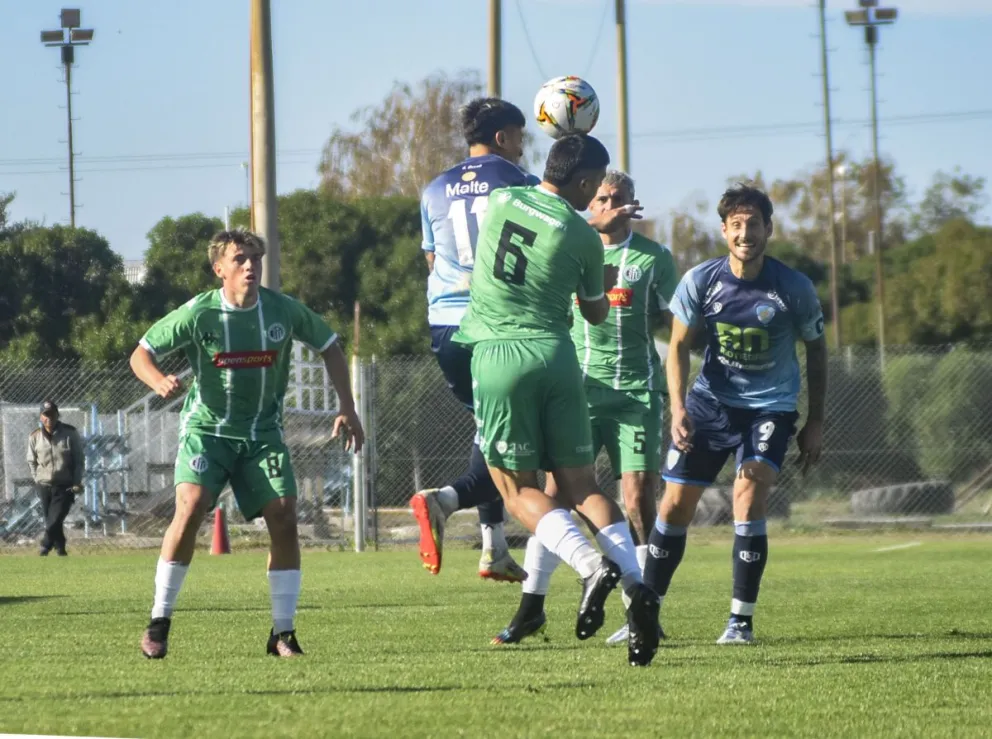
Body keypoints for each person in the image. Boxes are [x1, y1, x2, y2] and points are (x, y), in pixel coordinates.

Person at [452, 134, 662, 667]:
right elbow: (593, 314)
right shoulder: (584, 239)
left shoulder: (502, 200)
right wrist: (601, 269)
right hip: (560, 359)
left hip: (501, 356)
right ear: (588, 183)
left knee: (518, 487)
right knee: (583, 487)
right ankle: (639, 594)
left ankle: (591, 568)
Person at [130, 228, 364, 660]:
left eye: (255, 257)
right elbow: (140, 353)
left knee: (284, 515)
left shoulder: (282, 310)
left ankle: (283, 634)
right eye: (240, 259)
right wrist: (158, 379)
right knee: (191, 505)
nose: (251, 266)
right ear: (219, 269)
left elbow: (330, 345)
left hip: (262, 434)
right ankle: (159, 622)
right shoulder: (199, 313)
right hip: (209, 430)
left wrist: (346, 407)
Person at [492, 171, 680, 647]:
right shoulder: (572, 248)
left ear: (633, 204)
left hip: (635, 392)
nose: (610, 205)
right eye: (602, 198)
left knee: (637, 498)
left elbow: (679, 326)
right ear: (590, 203)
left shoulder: (654, 259)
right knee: (553, 499)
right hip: (576, 390)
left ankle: (643, 607)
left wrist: (680, 397)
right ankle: (531, 607)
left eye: (619, 198)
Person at [645, 183, 827, 645]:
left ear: (770, 229)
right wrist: (679, 408)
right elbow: (678, 348)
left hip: (771, 407)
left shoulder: (794, 288)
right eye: (737, 225)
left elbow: (818, 349)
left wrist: (816, 421)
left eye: (755, 224)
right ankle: (646, 613)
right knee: (674, 505)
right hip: (709, 404)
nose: (746, 233)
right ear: (725, 230)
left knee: (748, 493)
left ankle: (739, 622)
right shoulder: (700, 281)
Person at [410, 97, 541, 583]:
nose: (524, 149)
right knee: (519, 441)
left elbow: (431, 259)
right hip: (497, 324)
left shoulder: (434, 188)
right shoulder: (520, 183)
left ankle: (493, 547)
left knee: (489, 430)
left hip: (445, 324)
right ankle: (444, 501)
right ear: (504, 138)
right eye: (522, 138)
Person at [26, 400, 84, 556]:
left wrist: (77, 481)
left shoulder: (70, 433)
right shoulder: (35, 436)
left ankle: (45, 546)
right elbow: (31, 461)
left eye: (51, 414)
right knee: (51, 520)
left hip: (65, 485)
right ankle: (61, 550)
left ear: (57, 415)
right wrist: (37, 479)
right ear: (40, 417)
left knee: (55, 519)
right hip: (44, 485)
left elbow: (79, 460)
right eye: (45, 415)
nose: (49, 418)